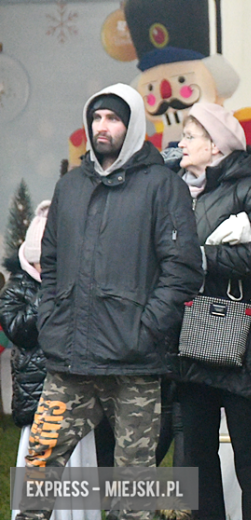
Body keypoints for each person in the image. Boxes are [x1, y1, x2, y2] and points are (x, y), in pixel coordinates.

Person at [18, 83, 202, 520]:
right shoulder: (70, 187)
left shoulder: (162, 186)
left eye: (113, 119)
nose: (103, 127)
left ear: (132, 126)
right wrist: (52, 321)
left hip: (134, 364)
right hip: (69, 361)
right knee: (36, 469)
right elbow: (52, 262)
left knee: (132, 493)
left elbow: (182, 270)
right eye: (97, 118)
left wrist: (147, 328)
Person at [173, 102, 251, 520]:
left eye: (190, 136)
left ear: (215, 146)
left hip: (240, 341)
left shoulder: (249, 185)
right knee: (197, 460)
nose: (180, 143)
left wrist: (205, 259)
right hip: (189, 338)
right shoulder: (176, 188)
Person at [3, 201, 100, 520]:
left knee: (77, 472)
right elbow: (19, 330)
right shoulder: (15, 291)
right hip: (38, 400)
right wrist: (51, 297)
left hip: (77, 399)